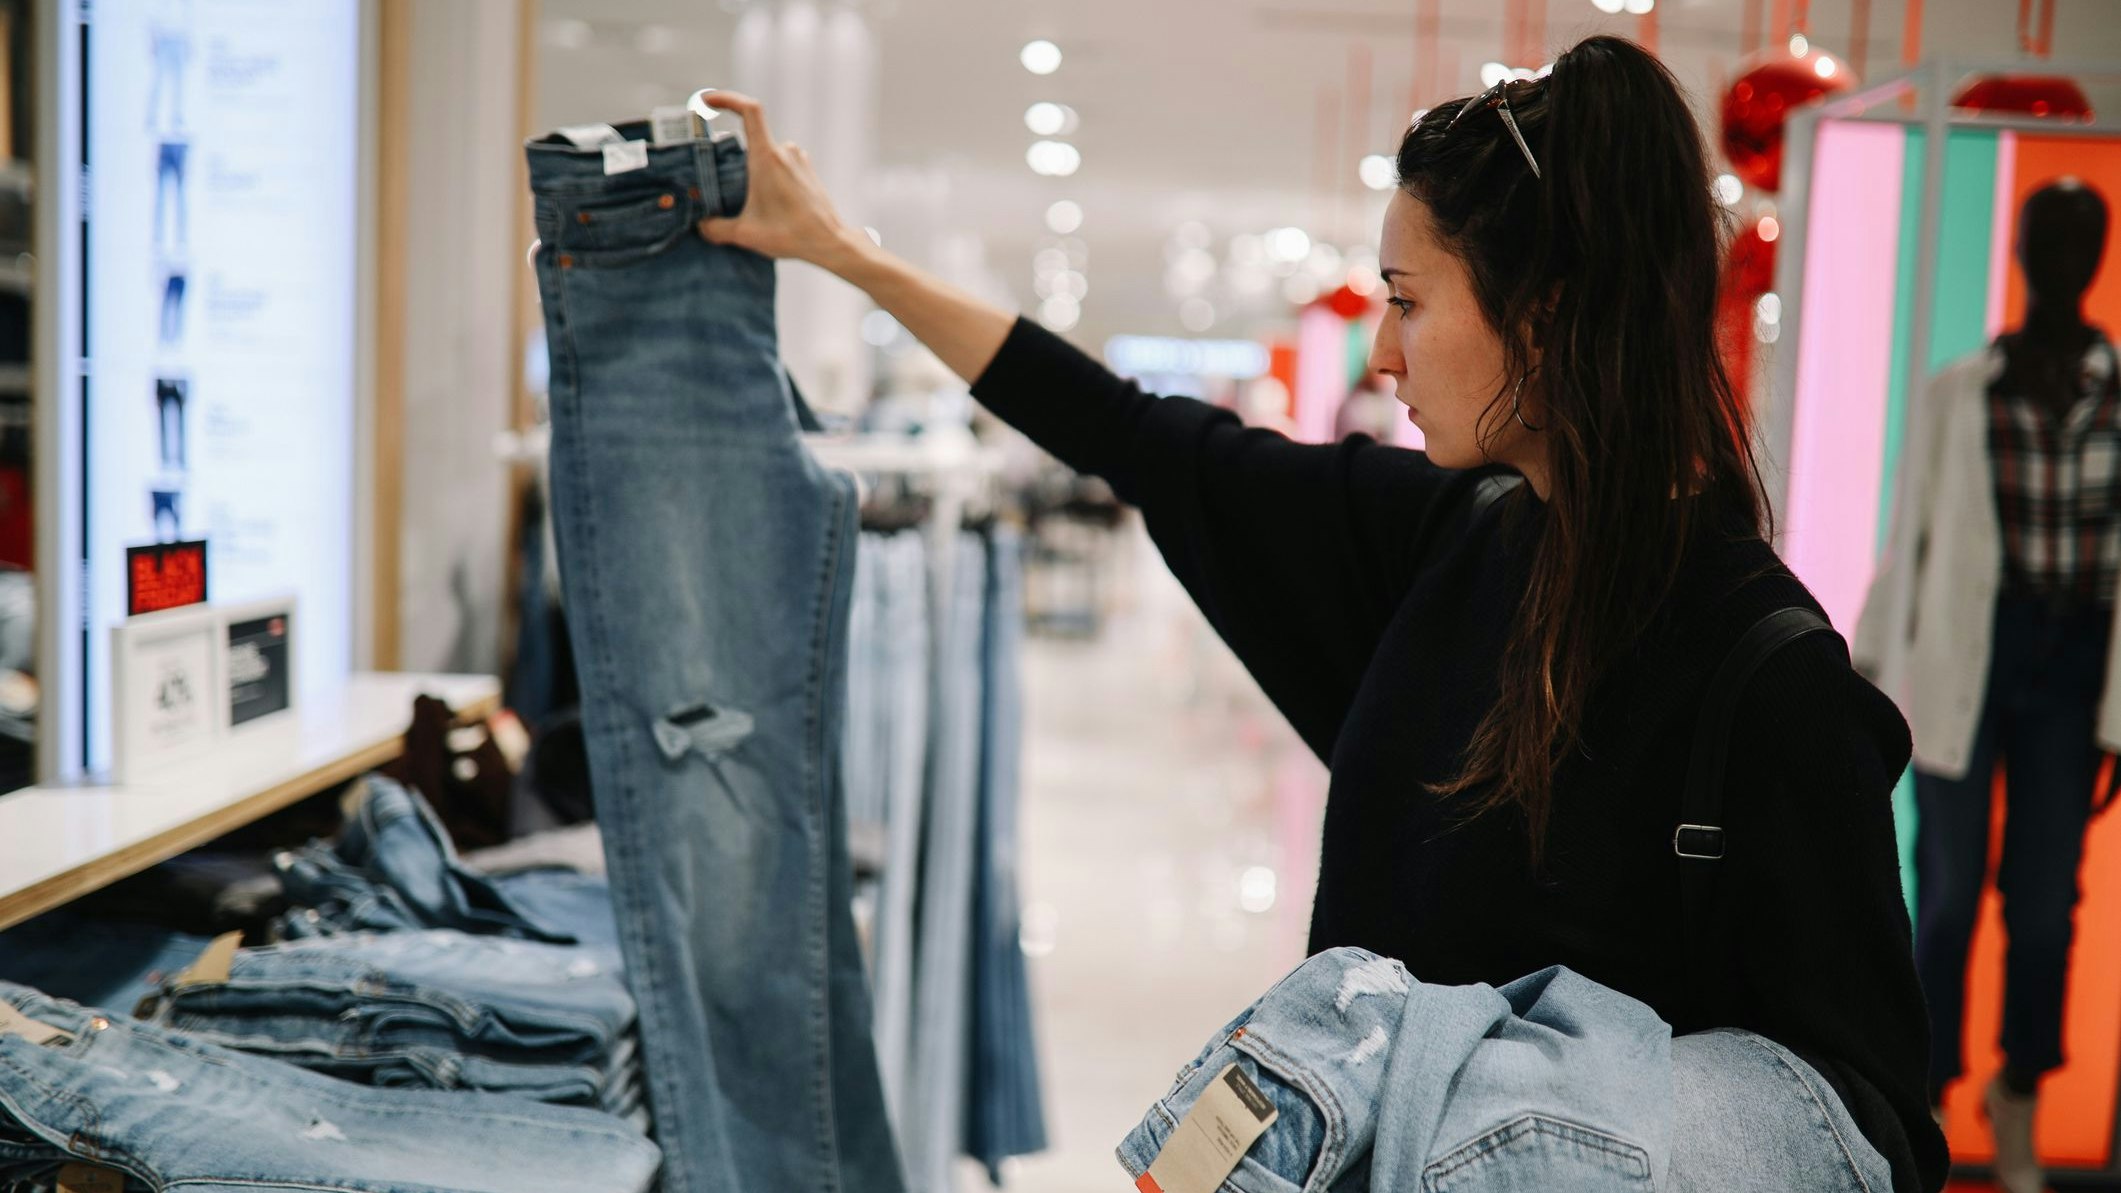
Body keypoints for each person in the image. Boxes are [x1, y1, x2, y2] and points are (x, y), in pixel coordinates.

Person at [696, 34, 1947, 1192]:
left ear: (1546, 315)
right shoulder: (1450, 539)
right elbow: (1135, 433)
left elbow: (1867, 1123)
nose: (1382, 358)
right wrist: (842, 254)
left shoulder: (1763, 675)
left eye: (1408, 301)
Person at [1858, 178, 2118, 1193]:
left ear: (2097, 256)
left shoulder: (2115, 392)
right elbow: (1912, 534)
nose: (2060, 259)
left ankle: (2019, 1094)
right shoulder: (1958, 391)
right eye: (2044, 239)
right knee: (1948, 894)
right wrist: (1868, 670)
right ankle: (1922, 1104)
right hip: (1971, 649)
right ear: (2018, 250)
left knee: (2045, 906)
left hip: (2076, 665)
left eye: (2079, 240)